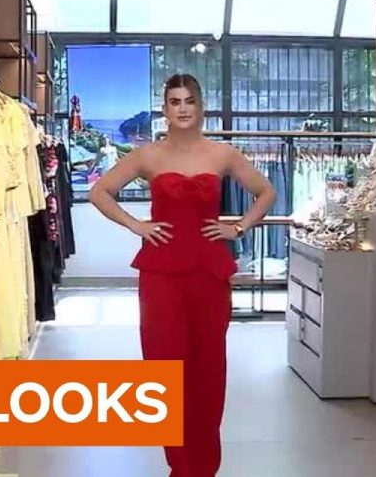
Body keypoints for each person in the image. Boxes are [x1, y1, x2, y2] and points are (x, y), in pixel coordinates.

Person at [88, 74, 276, 477]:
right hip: (162, 275)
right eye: (175, 102)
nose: (183, 108)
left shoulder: (222, 154)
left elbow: (266, 192)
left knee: (209, 369)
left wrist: (239, 227)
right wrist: (137, 225)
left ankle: (204, 467)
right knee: (165, 369)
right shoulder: (148, 155)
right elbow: (99, 191)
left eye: (189, 100)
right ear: (165, 110)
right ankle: (180, 464)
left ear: (200, 106)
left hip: (209, 273)